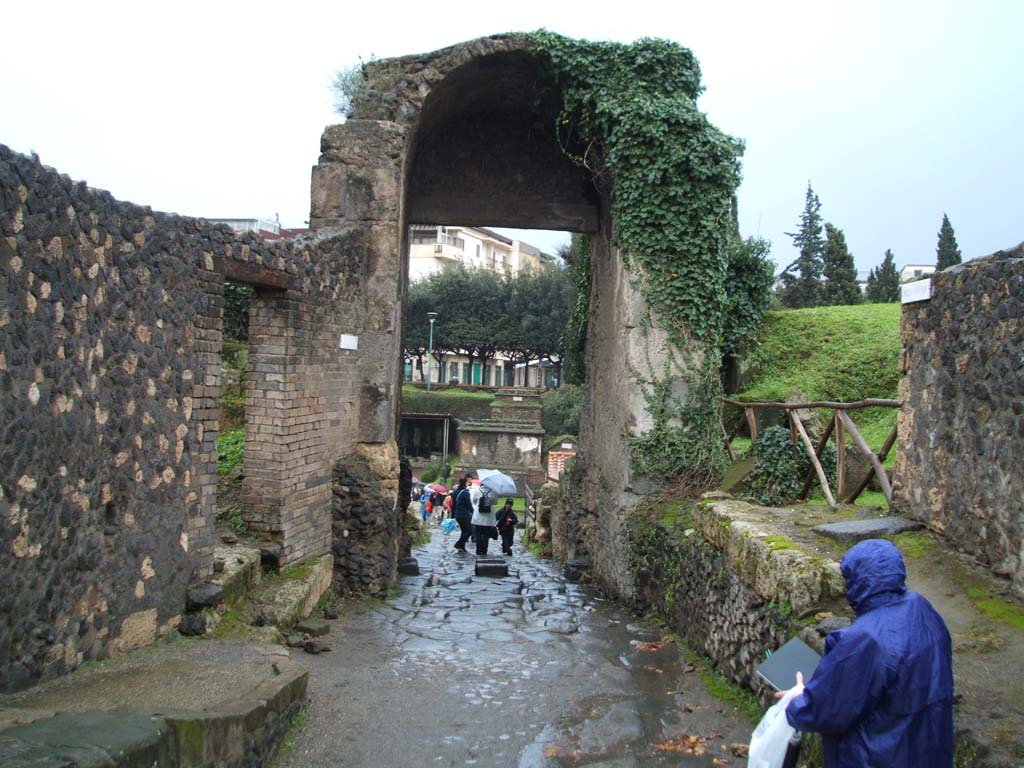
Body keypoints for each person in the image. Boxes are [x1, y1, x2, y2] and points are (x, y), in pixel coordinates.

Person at [778, 538, 953, 768]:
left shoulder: (863, 640)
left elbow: (828, 710)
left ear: (857, 580)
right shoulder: (922, 609)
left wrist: (797, 698)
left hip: (874, 756)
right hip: (927, 751)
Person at [471, 484, 498, 556]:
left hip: (478, 517)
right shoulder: (493, 492)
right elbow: (495, 502)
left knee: (478, 534)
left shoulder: (477, 491)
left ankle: (478, 550)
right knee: (486, 535)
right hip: (488, 517)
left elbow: (474, 501)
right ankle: (484, 550)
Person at [451, 476, 474, 552]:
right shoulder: (465, 493)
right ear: (464, 484)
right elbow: (469, 504)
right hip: (464, 515)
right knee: (469, 531)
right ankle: (459, 543)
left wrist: (452, 515)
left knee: (464, 531)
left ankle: (462, 547)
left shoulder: (455, 492)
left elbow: (453, 504)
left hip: (458, 514)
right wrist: (473, 512)